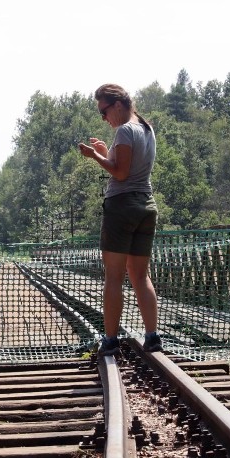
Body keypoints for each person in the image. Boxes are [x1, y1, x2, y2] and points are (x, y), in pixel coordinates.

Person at [78, 83, 162, 354]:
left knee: (114, 277)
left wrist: (94, 157)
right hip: (146, 207)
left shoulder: (125, 131)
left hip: (122, 207)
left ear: (117, 104)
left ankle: (111, 341)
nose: (104, 118)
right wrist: (105, 152)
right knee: (140, 275)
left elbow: (121, 173)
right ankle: (152, 336)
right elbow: (130, 167)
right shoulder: (146, 129)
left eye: (104, 111)